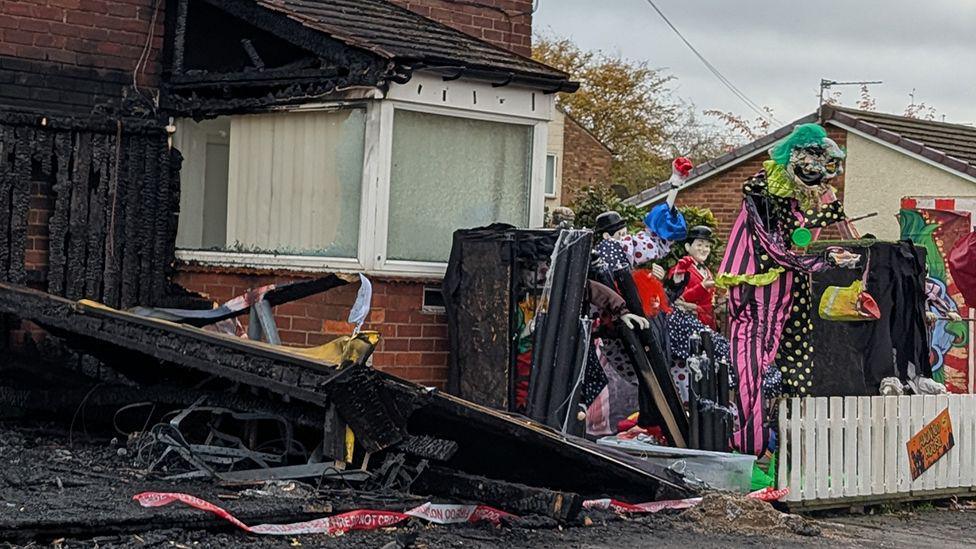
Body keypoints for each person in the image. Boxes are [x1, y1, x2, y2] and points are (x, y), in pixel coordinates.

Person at [717, 123, 859, 455]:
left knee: (786, 362)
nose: (820, 180)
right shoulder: (761, 192)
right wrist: (823, 261)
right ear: (797, 159)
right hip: (756, 283)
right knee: (750, 362)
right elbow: (775, 249)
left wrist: (830, 235)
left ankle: (783, 448)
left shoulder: (791, 199)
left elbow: (796, 240)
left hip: (785, 284)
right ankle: (747, 447)